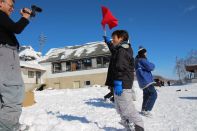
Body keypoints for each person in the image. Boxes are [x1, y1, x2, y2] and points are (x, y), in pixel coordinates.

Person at [103, 30, 144, 131]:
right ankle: (129, 125)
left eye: (114, 38)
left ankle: (139, 126)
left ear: (121, 38)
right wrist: (108, 43)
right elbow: (114, 52)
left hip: (122, 84)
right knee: (120, 108)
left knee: (127, 109)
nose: (112, 39)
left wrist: (118, 82)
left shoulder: (123, 50)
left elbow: (121, 67)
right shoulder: (121, 49)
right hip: (120, 83)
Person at [0, 0, 31, 130]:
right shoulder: (1, 15)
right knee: (12, 90)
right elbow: (16, 28)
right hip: (6, 54)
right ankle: (8, 127)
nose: (12, 8)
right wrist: (25, 17)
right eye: (10, 5)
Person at [135, 46, 157, 117]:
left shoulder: (137, 61)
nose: (146, 54)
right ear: (143, 53)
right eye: (146, 52)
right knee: (154, 94)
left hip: (142, 82)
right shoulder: (142, 60)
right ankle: (147, 110)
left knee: (146, 96)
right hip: (146, 81)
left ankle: (143, 110)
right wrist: (153, 64)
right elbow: (151, 67)